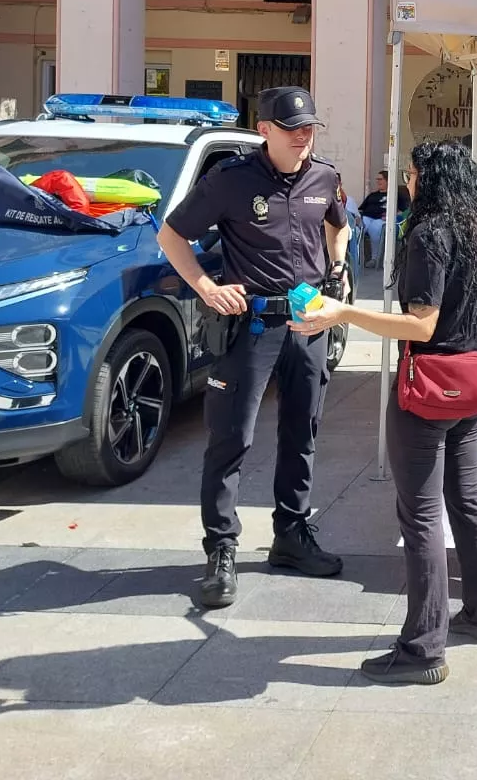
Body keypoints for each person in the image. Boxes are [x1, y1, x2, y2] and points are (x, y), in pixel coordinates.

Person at [291, 140, 477, 686]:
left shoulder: (430, 233)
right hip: (472, 382)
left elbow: (421, 326)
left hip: (428, 388)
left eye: (413, 174)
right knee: (466, 496)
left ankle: (423, 647)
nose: (408, 183)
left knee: (420, 514)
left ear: (431, 180)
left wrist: (344, 312)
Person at [157, 85, 350, 609]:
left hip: (308, 325)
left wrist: (336, 271)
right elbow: (171, 236)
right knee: (230, 441)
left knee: (301, 434)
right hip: (253, 328)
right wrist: (205, 287)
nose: (304, 137)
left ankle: (291, 536)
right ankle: (220, 550)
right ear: (264, 130)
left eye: (310, 127)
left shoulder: (324, 176)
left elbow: (339, 227)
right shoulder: (230, 180)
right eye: (293, 129)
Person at [358, 169, 408, 267]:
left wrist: (392, 216)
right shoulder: (373, 195)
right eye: (377, 179)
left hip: (383, 220)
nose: (378, 181)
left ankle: (374, 258)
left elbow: (404, 212)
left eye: (380, 179)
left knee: (374, 226)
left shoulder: (396, 195)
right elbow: (361, 209)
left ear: (387, 181)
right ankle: (357, 258)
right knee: (358, 227)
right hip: (367, 218)